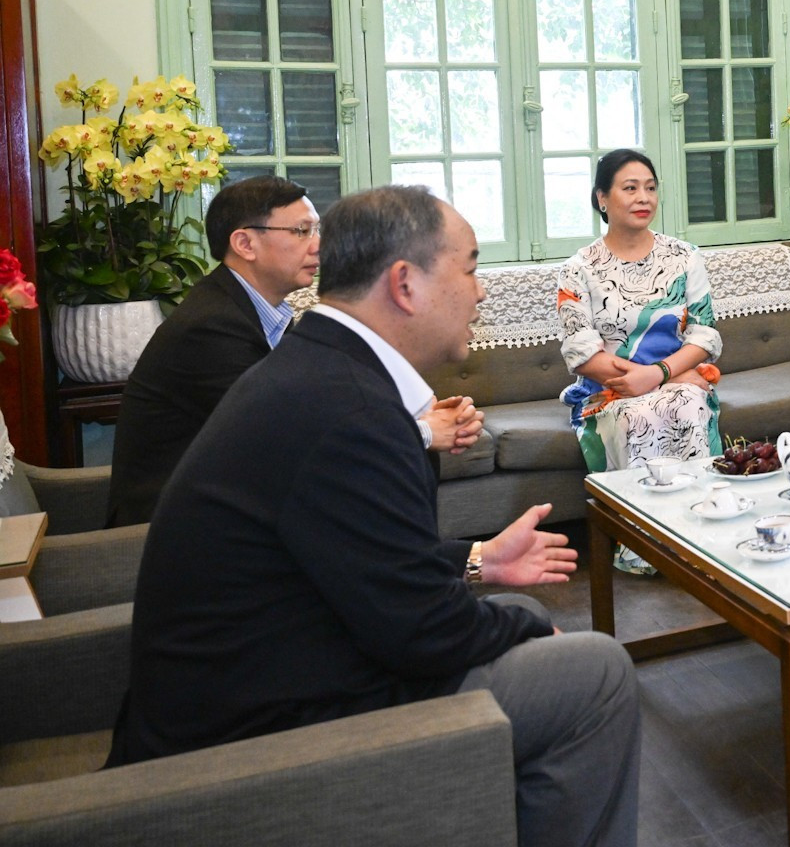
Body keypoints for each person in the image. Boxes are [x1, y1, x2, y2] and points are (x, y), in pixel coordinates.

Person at [112, 186, 643, 847]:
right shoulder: (348, 409)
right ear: (404, 284)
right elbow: (421, 631)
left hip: (272, 666)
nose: (481, 293)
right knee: (595, 672)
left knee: (530, 620)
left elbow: (343, 545)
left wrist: (473, 562)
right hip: (251, 734)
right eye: (471, 268)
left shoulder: (322, 369)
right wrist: (518, 629)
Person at [106, 174, 481, 527]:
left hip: (241, 495)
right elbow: (285, 439)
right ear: (245, 244)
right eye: (301, 231)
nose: (318, 245)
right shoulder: (211, 326)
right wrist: (423, 433)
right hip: (179, 523)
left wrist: (413, 414)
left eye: (317, 230)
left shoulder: (257, 310)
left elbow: (319, 409)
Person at [558, 149, 722, 474]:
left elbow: (704, 335)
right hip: (609, 390)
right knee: (637, 415)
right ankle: (637, 522)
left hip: (677, 384)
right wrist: (657, 380)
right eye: (630, 188)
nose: (643, 198)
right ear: (601, 198)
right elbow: (582, 354)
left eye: (650, 188)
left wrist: (657, 376)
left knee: (688, 405)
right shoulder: (579, 269)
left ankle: (697, 517)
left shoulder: (684, 258)